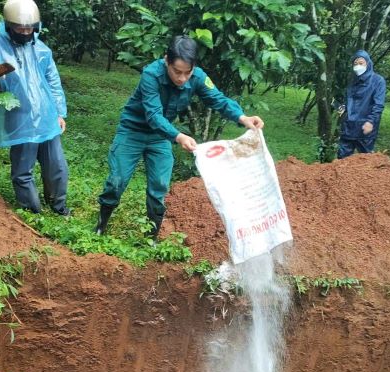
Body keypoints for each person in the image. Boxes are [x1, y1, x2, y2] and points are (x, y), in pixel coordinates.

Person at [94, 35, 264, 238]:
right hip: (133, 131)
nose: (182, 78)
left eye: (187, 72)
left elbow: (217, 99)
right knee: (117, 180)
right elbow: (153, 115)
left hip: (161, 137)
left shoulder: (198, 77)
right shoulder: (151, 74)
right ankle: (101, 225)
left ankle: (151, 236)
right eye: (177, 71)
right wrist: (178, 136)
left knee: (160, 185)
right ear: (167, 60)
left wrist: (243, 117)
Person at [0, 0, 70, 215]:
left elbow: (53, 82)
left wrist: (60, 113)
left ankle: (59, 207)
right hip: (19, 115)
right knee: (23, 170)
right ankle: (32, 211)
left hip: (46, 116)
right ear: (8, 25)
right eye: (20, 28)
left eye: (29, 28)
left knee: (57, 166)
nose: (25, 32)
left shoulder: (42, 49)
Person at [337, 50, 386, 159]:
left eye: (361, 63)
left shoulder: (378, 81)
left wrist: (371, 122)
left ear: (368, 63)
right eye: (355, 63)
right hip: (349, 126)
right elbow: (348, 102)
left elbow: (378, 105)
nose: (357, 66)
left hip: (365, 128)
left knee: (365, 160)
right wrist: (342, 109)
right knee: (342, 159)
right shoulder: (352, 82)